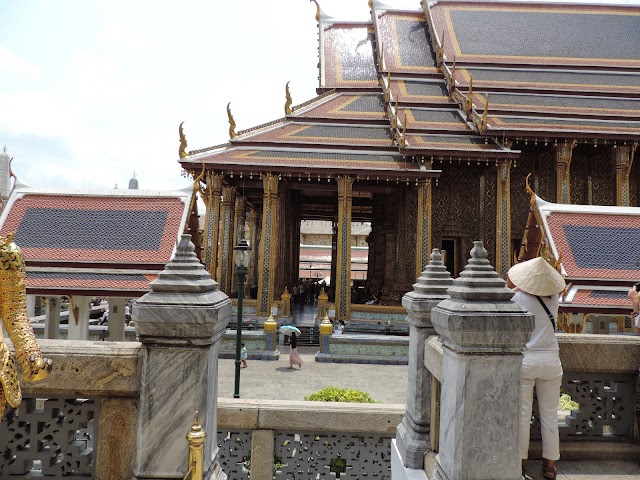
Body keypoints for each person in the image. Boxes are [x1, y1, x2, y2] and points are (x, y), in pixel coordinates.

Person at [507, 257, 565, 480]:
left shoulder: (517, 297)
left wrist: (511, 286)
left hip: (526, 359)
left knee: (522, 414)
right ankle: (550, 466)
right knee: (550, 415)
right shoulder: (554, 299)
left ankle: (520, 464)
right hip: (551, 360)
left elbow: (502, 298)